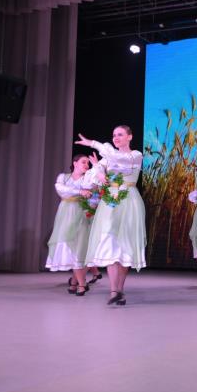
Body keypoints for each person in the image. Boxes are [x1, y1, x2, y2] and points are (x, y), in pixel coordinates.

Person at [75, 125, 146, 306]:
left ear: (130, 136)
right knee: (109, 241)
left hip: (129, 200)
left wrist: (93, 143)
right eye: (114, 135)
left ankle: (119, 289)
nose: (116, 137)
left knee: (125, 246)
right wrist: (99, 172)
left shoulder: (136, 155)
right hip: (111, 201)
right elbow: (93, 176)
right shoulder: (108, 157)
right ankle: (114, 290)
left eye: (120, 134)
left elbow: (119, 159)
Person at [45, 154, 95, 296]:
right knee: (69, 246)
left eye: (88, 163)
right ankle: (79, 282)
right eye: (83, 162)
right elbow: (61, 189)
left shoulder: (88, 179)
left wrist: (91, 203)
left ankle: (78, 283)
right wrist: (79, 192)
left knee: (81, 248)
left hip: (83, 213)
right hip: (66, 213)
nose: (86, 165)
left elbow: (92, 193)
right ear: (75, 163)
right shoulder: (63, 177)